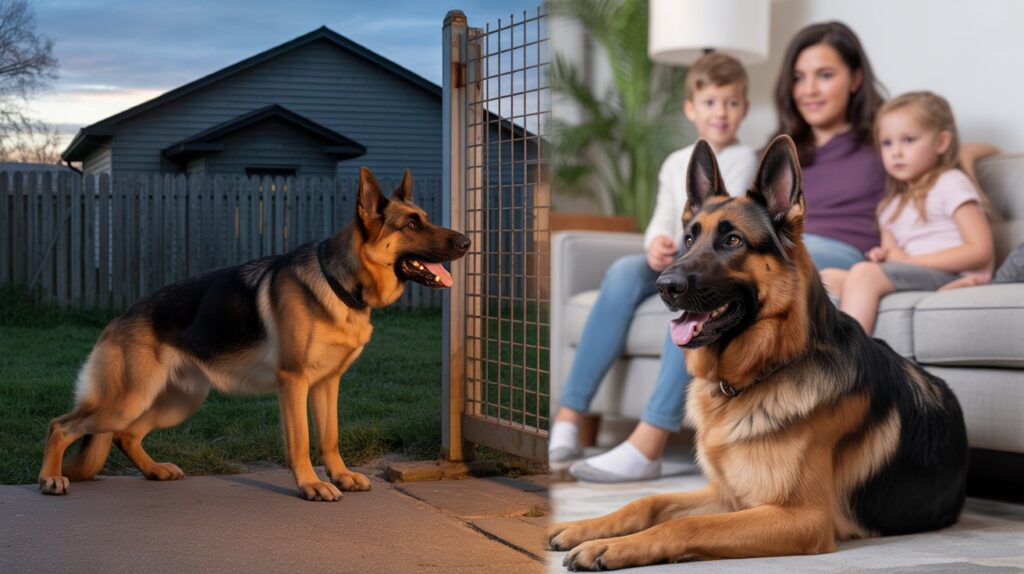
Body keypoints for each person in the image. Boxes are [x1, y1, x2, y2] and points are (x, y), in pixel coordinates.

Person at [548, 53, 758, 482]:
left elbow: (726, 222)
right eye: (710, 102)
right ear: (690, 108)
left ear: (745, 109)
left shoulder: (744, 159)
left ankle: (651, 439)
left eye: (732, 103)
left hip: (708, 262)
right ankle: (569, 415)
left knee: (690, 301)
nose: (720, 112)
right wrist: (655, 244)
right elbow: (664, 217)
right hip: (677, 253)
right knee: (624, 272)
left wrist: (684, 253)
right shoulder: (675, 162)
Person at [820, 92, 995, 334]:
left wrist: (910, 261)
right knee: (827, 278)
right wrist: (884, 255)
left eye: (909, 140)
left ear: (941, 142)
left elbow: (980, 251)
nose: (896, 152)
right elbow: (893, 255)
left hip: (951, 274)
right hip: (914, 274)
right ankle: (816, 352)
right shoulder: (889, 206)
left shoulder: (950, 183)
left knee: (863, 273)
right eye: (887, 143)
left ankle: (850, 354)